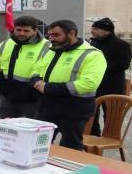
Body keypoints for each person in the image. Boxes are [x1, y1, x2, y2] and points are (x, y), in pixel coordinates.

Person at [30, 20, 107, 150]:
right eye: (49, 35)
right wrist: (35, 81)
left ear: (71, 33)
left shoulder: (93, 54)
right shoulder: (51, 50)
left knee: (70, 148)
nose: (51, 39)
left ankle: (70, 171)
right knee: (37, 144)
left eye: (56, 35)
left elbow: (89, 83)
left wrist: (48, 88)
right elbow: (36, 69)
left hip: (75, 109)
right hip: (47, 106)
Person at [0, 16, 50, 118]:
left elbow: (43, 68)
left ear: (35, 30)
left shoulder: (47, 46)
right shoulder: (5, 43)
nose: (21, 33)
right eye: (18, 30)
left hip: (31, 97)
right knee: (7, 127)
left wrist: (32, 87)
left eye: (26, 30)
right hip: (7, 95)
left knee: (30, 128)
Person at [89, 18, 132, 136]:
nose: (92, 31)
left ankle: (110, 139)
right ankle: (93, 139)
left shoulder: (121, 44)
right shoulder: (94, 43)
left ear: (107, 31)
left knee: (111, 119)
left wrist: (100, 64)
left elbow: (123, 64)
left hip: (113, 88)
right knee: (91, 118)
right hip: (94, 86)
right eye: (92, 28)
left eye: (95, 29)